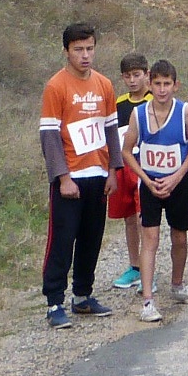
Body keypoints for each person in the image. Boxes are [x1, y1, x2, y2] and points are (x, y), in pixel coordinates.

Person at [39, 23, 121, 328]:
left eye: (89, 48)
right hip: (70, 177)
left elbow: (110, 130)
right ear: (66, 52)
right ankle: (53, 302)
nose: (85, 55)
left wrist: (113, 170)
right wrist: (63, 177)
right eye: (78, 50)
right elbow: (49, 136)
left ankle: (83, 296)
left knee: (91, 238)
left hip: (98, 175)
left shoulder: (104, 85)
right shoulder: (56, 86)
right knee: (62, 240)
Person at [120, 59, 188, 322]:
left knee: (179, 237)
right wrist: (145, 178)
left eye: (167, 84)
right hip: (150, 183)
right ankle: (147, 300)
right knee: (150, 240)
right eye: (157, 84)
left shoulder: (185, 112)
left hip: (178, 183)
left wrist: (177, 177)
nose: (162, 89)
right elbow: (127, 150)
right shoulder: (139, 114)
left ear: (175, 85)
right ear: (150, 84)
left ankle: (177, 284)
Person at [108, 53, 152, 292]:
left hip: (146, 164)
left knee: (142, 216)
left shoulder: (154, 100)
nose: (133, 80)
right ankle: (134, 266)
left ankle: (148, 269)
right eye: (128, 76)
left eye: (137, 75)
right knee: (128, 217)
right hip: (125, 164)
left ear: (146, 74)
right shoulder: (119, 104)